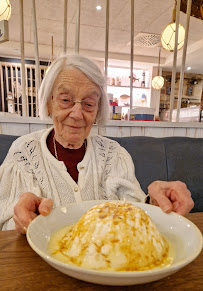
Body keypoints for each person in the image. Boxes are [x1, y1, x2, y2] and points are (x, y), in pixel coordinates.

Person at [0, 54, 194, 233]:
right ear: (50, 102)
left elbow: (135, 216)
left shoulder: (114, 154)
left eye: (89, 104)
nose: (77, 114)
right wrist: (20, 220)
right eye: (66, 100)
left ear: (98, 110)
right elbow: (5, 226)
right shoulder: (23, 153)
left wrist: (156, 203)